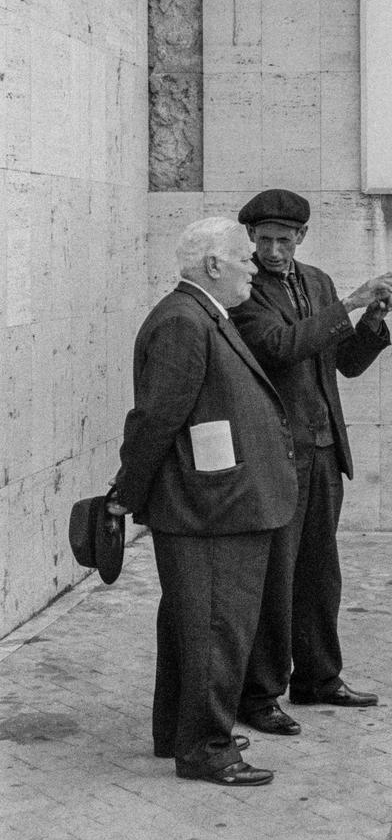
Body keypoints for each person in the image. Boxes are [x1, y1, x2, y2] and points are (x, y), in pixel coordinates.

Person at [107, 217, 298, 786]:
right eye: (245, 257)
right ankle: (207, 749)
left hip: (216, 502)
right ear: (213, 265)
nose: (254, 266)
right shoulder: (184, 322)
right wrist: (125, 494)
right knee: (217, 629)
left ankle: (178, 732)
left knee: (192, 627)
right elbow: (157, 418)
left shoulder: (200, 314)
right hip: (212, 509)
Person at [229, 188, 392, 732]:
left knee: (320, 575)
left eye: (284, 240)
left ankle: (319, 679)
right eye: (264, 240)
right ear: (251, 240)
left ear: (301, 238)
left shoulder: (319, 282)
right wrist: (350, 304)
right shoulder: (242, 287)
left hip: (325, 449)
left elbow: (344, 364)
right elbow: (280, 346)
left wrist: (370, 321)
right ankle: (258, 697)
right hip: (278, 454)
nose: (273, 250)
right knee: (275, 579)